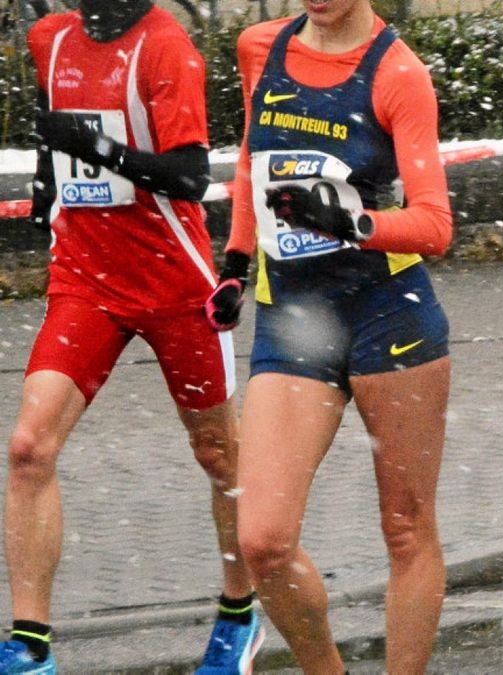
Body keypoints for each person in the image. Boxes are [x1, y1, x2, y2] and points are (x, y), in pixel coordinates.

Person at [1, 2, 263, 673]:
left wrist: (94, 146)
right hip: (85, 280)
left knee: (220, 456)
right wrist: (42, 185)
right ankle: (30, 645)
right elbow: (47, 125)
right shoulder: (47, 38)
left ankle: (241, 610)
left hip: (174, 283)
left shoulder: (167, 48)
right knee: (29, 448)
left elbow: (188, 175)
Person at [205, 0, 453, 671]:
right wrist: (234, 260)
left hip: (387, 313)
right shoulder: (261, 46)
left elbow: (435, 224)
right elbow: (254, 160)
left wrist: (352, 223)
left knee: (405, 530)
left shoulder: (397, 72)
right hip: (291, 315)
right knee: (263, 540)